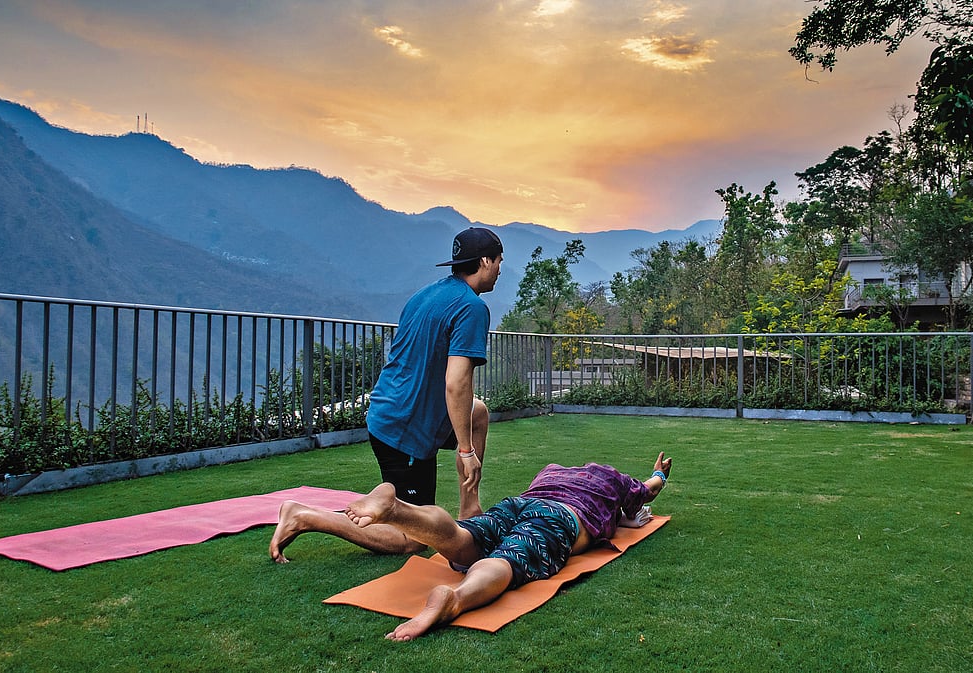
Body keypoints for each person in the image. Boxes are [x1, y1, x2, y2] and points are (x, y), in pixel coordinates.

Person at [269, 227, 504, 562]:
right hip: (403, 431)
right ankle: (305, 515)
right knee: (412, 539)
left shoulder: (427, 295)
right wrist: (466, 451)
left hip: (390, 411)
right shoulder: (471, 308)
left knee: (477, 413)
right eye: (498, 261)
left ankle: (469, 509)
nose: (499, 269)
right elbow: (457, 383)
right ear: (484, 261)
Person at [344, 451, 673, 641]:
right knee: (512, 556)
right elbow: (649, 489)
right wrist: (660, 473)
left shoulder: (551, 471)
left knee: (466, 537)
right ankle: (455, 599)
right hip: (560, 516)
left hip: (518, 502)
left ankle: (399, 510)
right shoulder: (613, 478)